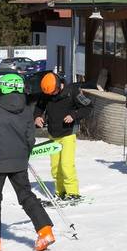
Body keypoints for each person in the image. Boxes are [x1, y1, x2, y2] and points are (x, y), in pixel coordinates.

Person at [0, 73, 54, 251]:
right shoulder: (27, 111)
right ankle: (45, 230)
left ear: (2, 89)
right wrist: (23, 155)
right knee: (26, 196)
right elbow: (30, 139)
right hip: (19, 162)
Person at [34, 74, 93, 202]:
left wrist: (74, 115)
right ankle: (60, 192)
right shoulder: (46, 93)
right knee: (55, 167)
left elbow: (88, 107)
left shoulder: (72, 92)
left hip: (68, 134)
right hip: (53, 134)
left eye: (53, 92)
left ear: (59, 85)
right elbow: (39, 107)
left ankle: (72, 193)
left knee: (66, 165)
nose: (51, 95)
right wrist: (37, 116)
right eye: (49, 94)